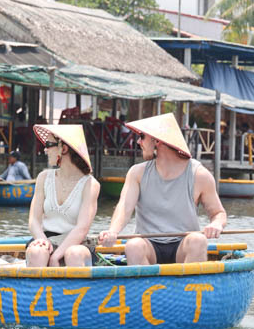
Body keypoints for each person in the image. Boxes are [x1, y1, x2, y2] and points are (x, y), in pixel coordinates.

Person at [98, 113, 227, 265]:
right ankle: (146, 288)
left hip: (183, 245)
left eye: (142, 136)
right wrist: (113, 231)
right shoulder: (136, 172)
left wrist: (216, 224)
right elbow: (125, 208)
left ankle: (189, 288)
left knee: (198, 240)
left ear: (157, 140)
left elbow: (218, 213)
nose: (139, 141)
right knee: (133, 245)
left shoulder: (199, 174)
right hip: (149, 246)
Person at [26, 124, 101, 267]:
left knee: (74, 254)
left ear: (64, 149)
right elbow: (33, 220)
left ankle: (76, 290)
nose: (45, 149)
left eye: (49, 145)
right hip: (46, 239)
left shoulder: (90, 184)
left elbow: (82, 228)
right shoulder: (43, 177)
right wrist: (43, 241)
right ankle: (37, 289)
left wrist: (56, 256)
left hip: (76, 243)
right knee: (38, 252)